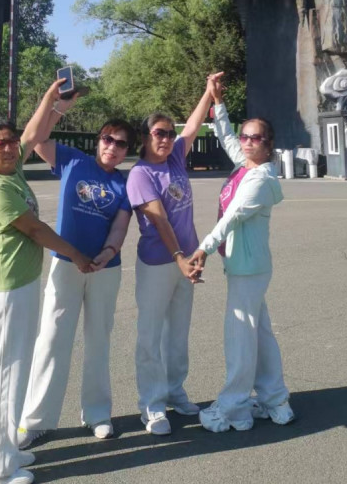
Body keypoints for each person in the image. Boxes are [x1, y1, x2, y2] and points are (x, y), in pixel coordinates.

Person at [0, 81, 93, 484]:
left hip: (21, 285)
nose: (10, 148)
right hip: (6, 290)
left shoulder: (12, 169)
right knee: (4, 378)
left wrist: (53, 101)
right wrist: (76, 254)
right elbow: (37, 230)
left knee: (15, 373)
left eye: (11, 143)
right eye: (0, 144)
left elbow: (33, 132)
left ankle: (7, 451)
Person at [17, 90, 135, 446]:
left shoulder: (124, 183)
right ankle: (35, 420)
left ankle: (97, 414)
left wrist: (109, 251)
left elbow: (120, 225)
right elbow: (36, 139)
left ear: (127, 151)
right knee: (52, 339)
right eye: (108, 139)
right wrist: (57, 107)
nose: (112, 147)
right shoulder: (73, 161)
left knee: (99, 341)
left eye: (121, 144)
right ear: (99, 140)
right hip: (65, 265)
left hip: (105, 270)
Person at [187, 74, 294, 433]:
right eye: (245, 136)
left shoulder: (260, 179)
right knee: (259, 334)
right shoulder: (244, 165)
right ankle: (275, 399)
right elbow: (227, 137)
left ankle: (233, 407)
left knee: (239, 337)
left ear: (269, 144)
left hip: (248, 269)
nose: (247, 142)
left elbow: (232, 217)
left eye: (255, 138)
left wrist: (202, 249)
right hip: (248, 266)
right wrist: (217, 102)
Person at [126, 73, 222, 436]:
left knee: (178, 333)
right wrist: (181, 257)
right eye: (159, 133)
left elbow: (193, 125)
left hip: (186, 261)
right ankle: (151, 404)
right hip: (158, 263)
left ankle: (174, 390)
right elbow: (160, 220)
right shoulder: (140, 174)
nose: (166, 139)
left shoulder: (176, 159)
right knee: (150, 334)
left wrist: (208, 93)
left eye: (169, 133)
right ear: (145, 137)